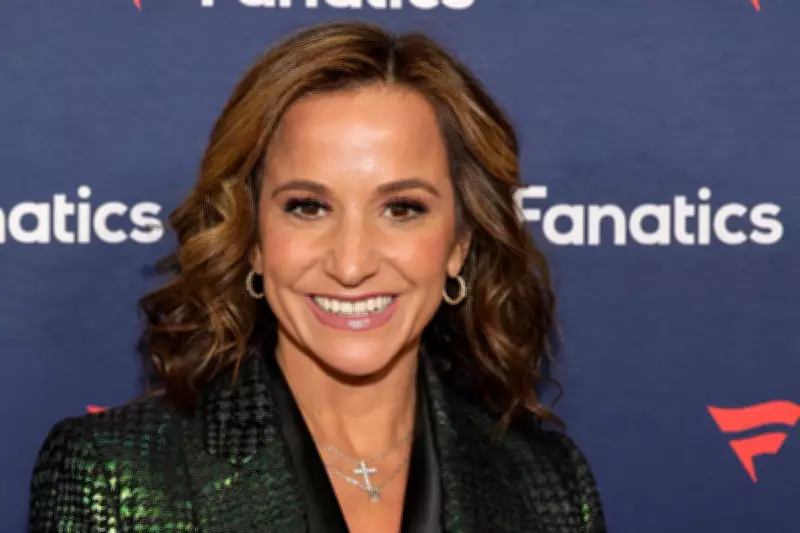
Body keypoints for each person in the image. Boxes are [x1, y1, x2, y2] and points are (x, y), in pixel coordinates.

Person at [28, 20, 606, 533]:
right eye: (308, 207)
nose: (351, 265)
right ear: (251, 239)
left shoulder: (548, 487)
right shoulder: (116, 476)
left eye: (402, 208)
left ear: (460, 244)